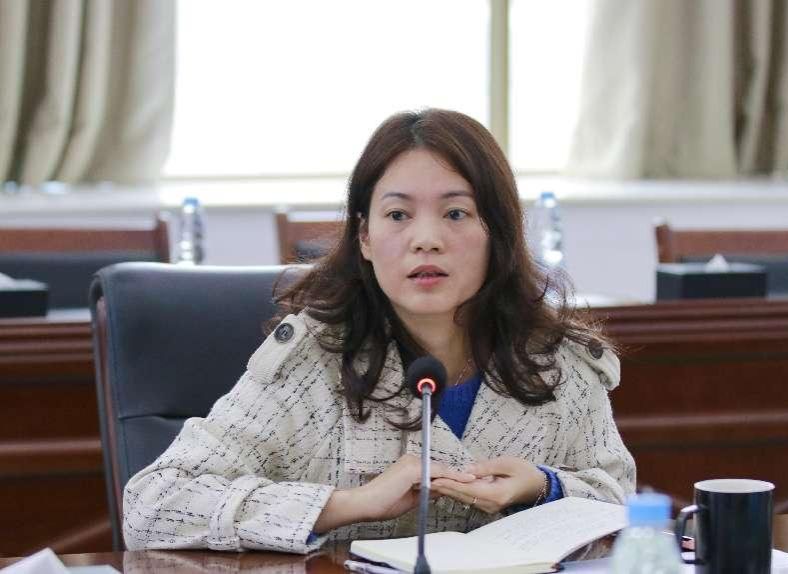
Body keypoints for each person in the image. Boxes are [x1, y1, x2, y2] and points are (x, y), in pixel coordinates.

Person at [123, 108, 635, 554]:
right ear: (365, 237)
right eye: (398, 214)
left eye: (456, 213)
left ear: (496, 233)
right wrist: (347, 504)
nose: (426, 239)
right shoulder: (311, 361)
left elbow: (624, 504)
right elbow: (152, 505)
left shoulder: (557, 363)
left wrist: (545, 487)